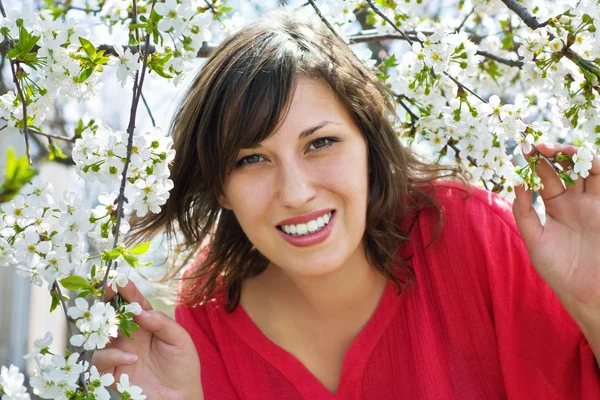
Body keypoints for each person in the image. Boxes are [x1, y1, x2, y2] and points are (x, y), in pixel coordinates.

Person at [92, 9, 600, 400]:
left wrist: (594, 303)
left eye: (320, 143)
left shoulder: (470, 232)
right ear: (220, 186)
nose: (295, 192)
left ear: (369, 148)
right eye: (251, 159)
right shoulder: (206, 313)